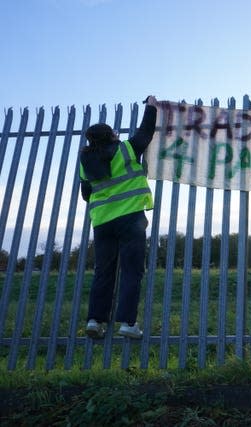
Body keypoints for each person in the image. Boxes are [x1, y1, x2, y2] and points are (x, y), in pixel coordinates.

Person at [80, 95, 158, 339]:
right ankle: (127, 323)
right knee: (132, 271)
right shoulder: (125, 149)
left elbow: (86, 194)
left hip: (102, 223)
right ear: (112, 135)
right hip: (130, 220)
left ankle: (95, 321)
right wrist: (152, 107)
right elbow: (146, 132)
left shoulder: (86, 160)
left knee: (103, 272)